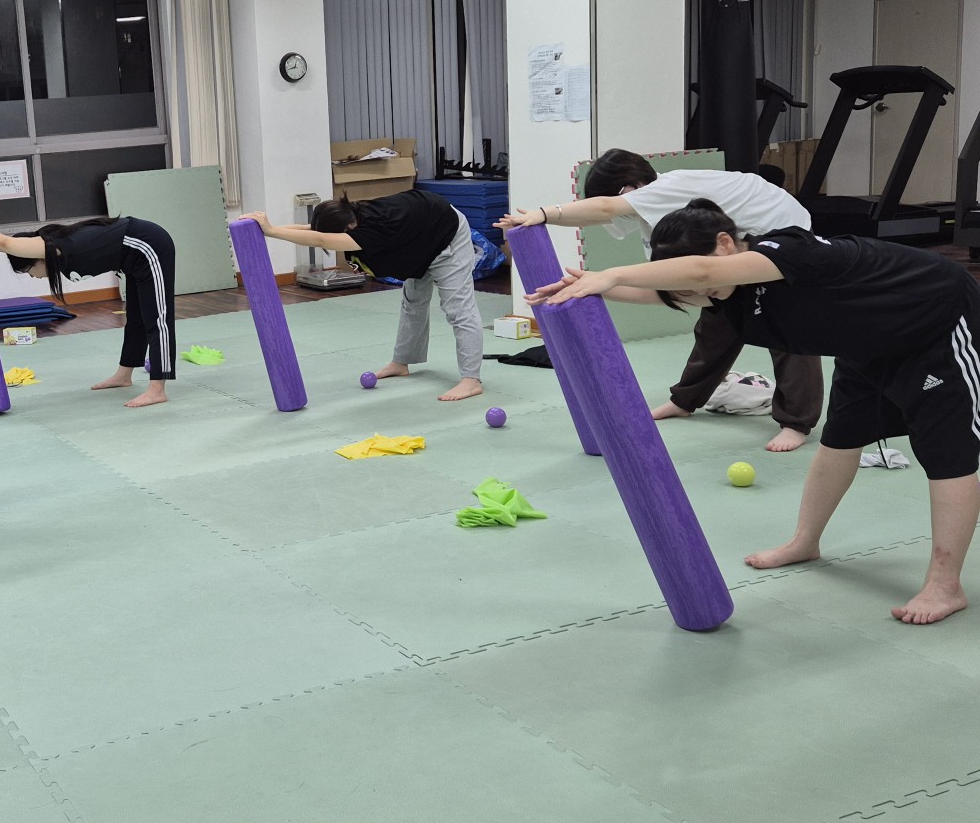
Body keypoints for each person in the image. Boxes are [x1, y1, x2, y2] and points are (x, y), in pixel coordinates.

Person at [528, 198, 980, 626]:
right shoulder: (723, 292)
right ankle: (805, 542)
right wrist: (587, 288)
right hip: (866, 342)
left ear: (726, 243)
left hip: (933, 319)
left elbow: (703, 271)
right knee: (841, 437)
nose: (697, 291)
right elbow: (670, 289)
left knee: (947, 453)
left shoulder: (786, 249)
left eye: (696, 278)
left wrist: (609, 274)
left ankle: (945, 586)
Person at [497, 149, 823, 451]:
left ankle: (796, 422)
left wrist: (543, 214)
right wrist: (595, 286)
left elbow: (607, 208)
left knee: (786, 327)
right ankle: (685, 400)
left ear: (634, 187)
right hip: (740, 236)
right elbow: (668, 291)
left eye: (618, 196)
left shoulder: (665, 189)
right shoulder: (658, 221)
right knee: (716, 321)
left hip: (779, 231)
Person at [245, 188, 485, 401]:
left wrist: (272, 231)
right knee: (412, 303)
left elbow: (319, 237)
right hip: (420, 237)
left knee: (458, 309)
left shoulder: (372, 231)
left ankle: (471, 380)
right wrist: (266, 229)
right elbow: (314, 231)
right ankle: (401, 363)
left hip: (447, 237)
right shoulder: (353, 217)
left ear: (348, 228)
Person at [0, 217, 176, 408]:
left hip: (148, 245)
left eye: (29, 270)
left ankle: (157, 389)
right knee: (136, 317)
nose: (32, 276)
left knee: (157, 318)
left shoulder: (55, 247)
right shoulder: (57, 249)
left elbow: (5, 243)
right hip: (132, 257)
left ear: (37, 258)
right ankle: (124, 375)